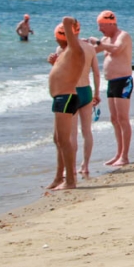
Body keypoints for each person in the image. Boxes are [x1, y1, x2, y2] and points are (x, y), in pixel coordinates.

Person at [49, 21, 101, 178]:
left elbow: (61, 72)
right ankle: (85, 165)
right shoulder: (90, 48)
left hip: (71, 91)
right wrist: (97, 93)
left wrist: (53, 63)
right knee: (87, 131)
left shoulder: (63, 49)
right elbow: (96, 73)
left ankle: (69, 170)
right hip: (86, 90)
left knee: (70, 135)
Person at [86, 10, 134, 167]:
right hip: (111, 82)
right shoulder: (105, 38)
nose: (100, 30)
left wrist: (99, 43)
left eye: (101, 26)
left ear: (110, 23)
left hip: (123, 81)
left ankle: (125, 156)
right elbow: (92, 51)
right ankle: (118, 153)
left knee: (122, 118)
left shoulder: (123, 35)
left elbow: (116, 49)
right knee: (114, 119)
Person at [46, 17, 86, 190]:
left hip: (66, 97)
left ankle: (70, 180)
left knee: (64, 140)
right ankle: (58, 177)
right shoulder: (66, 53)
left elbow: (69, 26)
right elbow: (63, 72)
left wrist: (68, 23)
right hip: (60, 98)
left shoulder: (75, 49)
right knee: (58, 140)